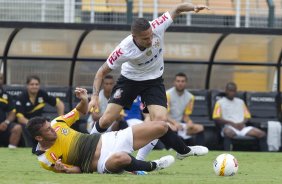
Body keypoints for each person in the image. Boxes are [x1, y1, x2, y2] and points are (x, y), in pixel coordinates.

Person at [88, 3, 209, 159]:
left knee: (160, 121)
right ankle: (86, 148)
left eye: (151, 35)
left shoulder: (157, 26)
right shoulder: (124, 49)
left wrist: (193, 7)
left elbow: (177, 8)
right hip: (129, 80)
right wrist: (95, 96)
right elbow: (101, 72)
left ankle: (140, 161)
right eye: (145, 38)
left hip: (154, 81)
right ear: (134, 37)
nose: (150, 39)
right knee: (106, 120)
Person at [27, 88, 206, 174]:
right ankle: (154, 165)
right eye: (48, 131)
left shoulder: (57, 123)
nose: (53, 130)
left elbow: (80, 112)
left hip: (108, 140)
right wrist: (64, 170)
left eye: (50, 126)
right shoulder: (45, 158)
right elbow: (77, 170)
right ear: (38, 137)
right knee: (121, 158)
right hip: (100, 163)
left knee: (161, 126)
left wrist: (83, 99)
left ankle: (184, 151)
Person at [212, 82, 268, 151]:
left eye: (234, 91)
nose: (232, 93)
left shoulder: (240, 102)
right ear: (226, 90)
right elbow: (216, 117)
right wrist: (231, 123)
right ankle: (227, 154)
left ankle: (264, 155)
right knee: (227, 132)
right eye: (230, 91)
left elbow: (247, 116)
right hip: (230, 126)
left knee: (261, 134)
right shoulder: (220, 102)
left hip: (242, 127)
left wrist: (242, 123)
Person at [16, 75, 65, 147]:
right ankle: (29, 147)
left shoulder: (42, 94)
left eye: (36, 84)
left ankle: (51, 148)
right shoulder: (22, 97)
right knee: (25, 128)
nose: (34, 86)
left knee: (49, 126)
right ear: (27, 86)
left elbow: (60, 104)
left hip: (39, 122)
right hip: (26, 123)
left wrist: (61, 119)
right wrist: (33, 125)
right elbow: (20, 118)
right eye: (32, 84)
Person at [166, 73, 205, 146]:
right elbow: (165, 115)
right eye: (178, 81)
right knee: (173, 128)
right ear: (174, 82)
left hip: (179, 125)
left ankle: (200, 149)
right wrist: (175, 123)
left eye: (182, 81)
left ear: (186, 83)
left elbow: (185, 115)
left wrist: (189, 122)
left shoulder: (190, 97)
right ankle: (171, 147)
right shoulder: (167, 94)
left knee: (200, 128)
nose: (180, 83)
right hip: (168, 123)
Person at [0, 73, 22, 148]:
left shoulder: (6, 96)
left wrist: (6, 122)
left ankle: (11, 152)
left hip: (2, 125)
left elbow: (12, 113)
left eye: (0, 78)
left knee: (17, 128)